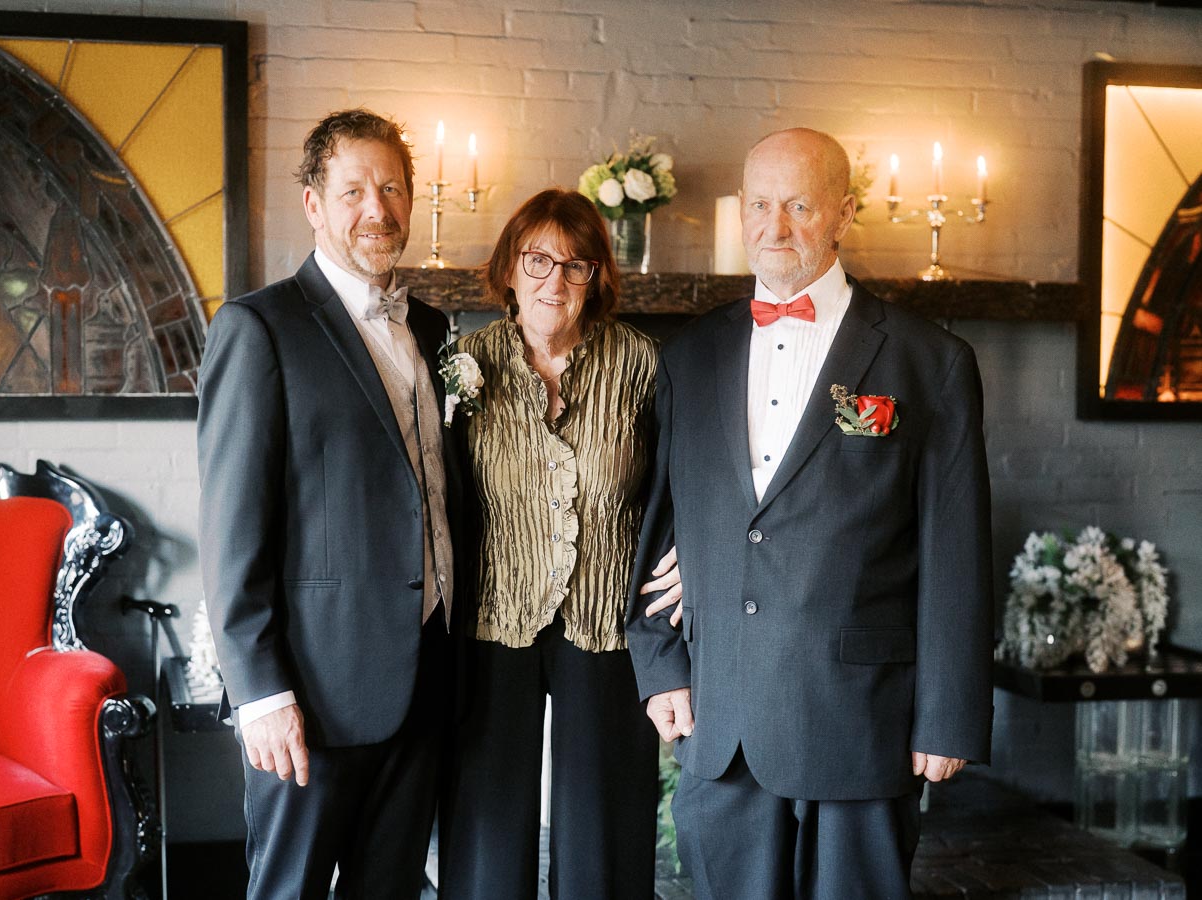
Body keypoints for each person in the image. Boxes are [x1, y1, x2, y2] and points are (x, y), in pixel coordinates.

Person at [626, 127, 993, 899]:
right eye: (760, 205)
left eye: (799, 205)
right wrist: (660, 667)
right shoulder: (689, 355)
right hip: (720, 721)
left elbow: (957, 551)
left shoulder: (930, 362)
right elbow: (661, 526)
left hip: (860, 723)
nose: (776, 225)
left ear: (844, 213)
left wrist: (949, 716)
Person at [197, 108, 459, 900]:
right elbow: (232, 528)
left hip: (428, 673)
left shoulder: (433, 329)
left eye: (393, 189)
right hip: (310, 693)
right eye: (353, 191)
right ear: (313, 204)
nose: (378, 209)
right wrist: (260, 693)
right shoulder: (259, 327)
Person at [438, 188, 664, 899]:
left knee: (605, 824)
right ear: (509, 268)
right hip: (493, 617)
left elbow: (683, 483)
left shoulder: (642, 364)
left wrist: (688, 560)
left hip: (607, 618)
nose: (554, 281)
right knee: (487, 821)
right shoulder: (464, 363)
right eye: (537, 260)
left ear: (597, 277)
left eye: (575, 265)